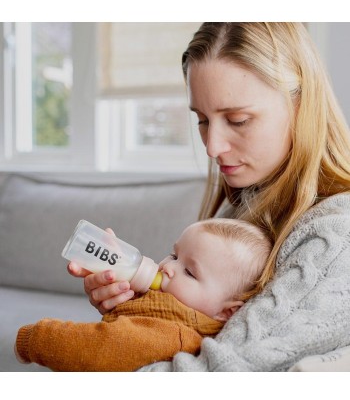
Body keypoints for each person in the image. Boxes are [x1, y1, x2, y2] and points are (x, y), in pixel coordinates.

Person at [68, 22, 350, 372]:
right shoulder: (246, 202)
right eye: (202, 119)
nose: (212, 147)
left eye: (238, 120)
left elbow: (221, 370)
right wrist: (140, 309)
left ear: (302, 105)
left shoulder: (337, 239)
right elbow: (200, 333)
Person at [15, 218, 271, 371]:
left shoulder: (173, 337)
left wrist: (34, 339)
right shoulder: (169, 312)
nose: (167, 268)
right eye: (174, 255)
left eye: (190, 272)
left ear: (227, 312)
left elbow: (96, 349)